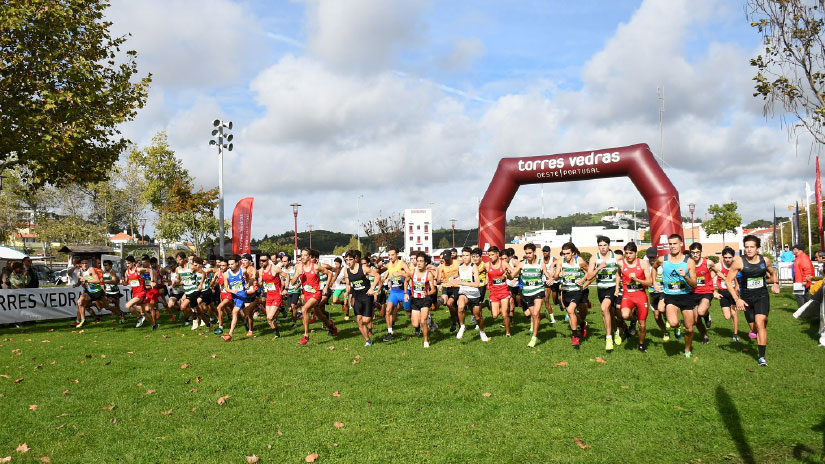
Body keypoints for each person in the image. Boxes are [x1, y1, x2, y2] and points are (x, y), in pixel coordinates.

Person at [725, 234, 780, 367]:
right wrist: (736, 299)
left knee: (760, 322)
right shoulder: (739, 262)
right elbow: (728, 281)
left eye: (752, 247)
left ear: (757, 249)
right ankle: (756, 331)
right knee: (754, 327)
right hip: (746, 299)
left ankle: (761, 357)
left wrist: (776, 283)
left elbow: (772, 273)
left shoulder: (765, 260)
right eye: (746, 247)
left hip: (762, 296)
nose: (749, 249)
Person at [655, 234, 698, 358]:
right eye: (670, 244)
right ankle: (678, 326)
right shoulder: (663, 259)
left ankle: (687, 349)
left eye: (675, 243)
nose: (672, 246)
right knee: (673, 323)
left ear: (681, 244)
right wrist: (654, 283)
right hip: (671, 296)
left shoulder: (689, 262)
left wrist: (685, 276)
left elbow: (694, 284)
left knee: (689, 329)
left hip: (686, 296)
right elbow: (654, 268)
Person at [289, 248, 338, 345]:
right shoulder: (299, 267)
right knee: (319, 314)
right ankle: (330, 325)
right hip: (307, 295)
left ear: (310, 257)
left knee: (304, 310)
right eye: (301, 255)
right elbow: (292, 282)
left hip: (316, 294)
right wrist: (297, 276)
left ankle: (306, 336)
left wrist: (326, 287)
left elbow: (329, 273)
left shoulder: (315, 267)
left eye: (305, 255)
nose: (302, 257)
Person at [509, 243, 551, 348]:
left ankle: (534, 338)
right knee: (533, 315)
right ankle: (544, 315)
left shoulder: (541, 263)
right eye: (526, 253)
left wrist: (550, 279)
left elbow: (547, 274)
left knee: (535, 314)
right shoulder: (522, 264)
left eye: (530, 253)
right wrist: (507, 275)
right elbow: (512, 276)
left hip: (538, 290)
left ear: (534, 252)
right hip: (527, 293)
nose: (528, 255)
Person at [553, 242, 590, 349]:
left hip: (576, 291)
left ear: (573, 253)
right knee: (571, 314)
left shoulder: (580, 261)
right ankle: (582, 324)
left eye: (568, 253)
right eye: (564, 253)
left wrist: (582, 280)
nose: (565, 256)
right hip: (565, 292)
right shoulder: (560, 261)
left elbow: (590, 272)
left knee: (570, 310)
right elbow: (555, 277)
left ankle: (574, 336)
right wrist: (558, 275)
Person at [616, 242, 652, 352]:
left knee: (642, 325)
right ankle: (633, 319)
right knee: (625, 315)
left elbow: (649, 282)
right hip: (628, 294)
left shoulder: (643, 264)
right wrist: (617, 287)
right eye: (626, 253)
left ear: (636, 253)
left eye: (630, 253)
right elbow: (618, 274)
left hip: (640, 294)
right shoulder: (621, 263)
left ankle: (641, 345)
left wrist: (637, 280)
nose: (628, 255)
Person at [587, 236, 621, 350]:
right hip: (601, 289)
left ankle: (609, 338)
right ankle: (616, 330)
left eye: (605, 245)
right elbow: (589, 276)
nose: (602, 248)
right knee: (609, 312)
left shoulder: (616, 257)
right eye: (600, 245)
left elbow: (619, 273)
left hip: (612, 288)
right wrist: (599, 268)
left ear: (609, 245)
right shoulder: (594, 258)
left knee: (604, 308)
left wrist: (617, 287)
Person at [345, 249, 382, 346]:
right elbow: (349, 284)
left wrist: (372, 288)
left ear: (355, 259)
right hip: (357, 297)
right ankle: (367, 340)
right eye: (346, 260)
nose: (348, 262)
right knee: (359, 321)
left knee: (366, 320)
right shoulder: (346, 271)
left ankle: (374, 305)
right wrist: (347, 291)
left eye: (350, 259)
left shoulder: (363, 268)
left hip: (367, 296)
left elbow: (377, 276)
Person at [454, 246, 488, 342]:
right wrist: (451, 280)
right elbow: (458, 277)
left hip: (474, 294)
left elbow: (477, 284)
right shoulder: (460, 267)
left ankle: (482, 332)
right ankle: (462, 326)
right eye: (463, 255)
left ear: (471, 256)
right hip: (463, 292)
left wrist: (461, 282)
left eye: (467, 255)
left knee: (477, 317)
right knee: (460, 307)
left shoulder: (474, 267)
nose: (465, 257)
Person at [406, 251, 437, 347]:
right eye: (417, 261)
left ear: (426, 263)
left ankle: (426, 341)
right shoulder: (412, 272)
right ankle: (430, 321)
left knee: (423, 321)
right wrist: (405, 294)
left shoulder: (429, 274)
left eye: (421, 261)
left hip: (425, 299)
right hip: (415, 300)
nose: (419, 263)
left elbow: (434, 290)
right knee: (415, 324)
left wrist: (428, 293)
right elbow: (406, 281)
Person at [711, 247, 741, 342]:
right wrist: (714, 291)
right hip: (722, 292)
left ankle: (735, 334)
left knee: (734, 313)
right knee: (727, 316)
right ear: (722, 257)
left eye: (730, 257)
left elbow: (737, 278)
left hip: (732, 292)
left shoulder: (736, 265)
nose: (728, 259)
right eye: (725, 257)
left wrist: (737, 288)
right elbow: (709, 280)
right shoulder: (718, 266)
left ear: (733, 257)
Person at [383, 247, 410, 342]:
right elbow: (382, 271)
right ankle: (390, 332)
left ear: (397, 254)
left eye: (392, 255)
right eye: (389, 255)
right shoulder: (388, 265)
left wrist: (401, 273)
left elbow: (410, 274)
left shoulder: (402, 264)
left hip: (403, 291)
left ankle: (417, 327)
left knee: (408, 312)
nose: (390, 257)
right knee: (388, 309)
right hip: (394, 292)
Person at [486, 246, 514, 336]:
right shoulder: (487, 265)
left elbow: (512, 275)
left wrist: (508, 274)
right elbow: (477, 270)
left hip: (504, 292)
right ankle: (499, 306)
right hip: (493, 293)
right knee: (494, 315)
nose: (490, 257)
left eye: (492, 255)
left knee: (505, 313)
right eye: (489, 255)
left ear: (497, 254)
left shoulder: (504, 264)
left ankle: (508, 332)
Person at [688, 243, 713, 344]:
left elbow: (717, 270)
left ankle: (706, 315)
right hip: (693, 293)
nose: (695, 255)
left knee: (701, 312)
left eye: (697, 252)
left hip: (706, 292)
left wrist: (715, 283)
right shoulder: (688, 264)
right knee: (696, 320)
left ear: (701, 252)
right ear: (690, 253)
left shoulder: (708, 262)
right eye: (693, 253)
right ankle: (705, 336)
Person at [259, 253, 288, 338]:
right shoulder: (261, 270)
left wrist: (286, 289)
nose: (262, 262)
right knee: (269, 319)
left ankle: (280, 308)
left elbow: (287, 275)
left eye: (264, 260)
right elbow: (261, 281)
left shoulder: (275, 269)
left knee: (270, 317)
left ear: (268, 260)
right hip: (269, 295)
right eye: (261, 260)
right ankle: (277, 334)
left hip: (277, 295)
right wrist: (259, 283)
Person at [437, 249, 461, 332]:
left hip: (456, 286)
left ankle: (458, 323)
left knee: (449, 303)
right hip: (447, 287)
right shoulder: (441, 267)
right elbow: (437, 280)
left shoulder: (457, 262)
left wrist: (458, 274)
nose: (446, 260)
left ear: (451, 256)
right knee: (450, 306)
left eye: (448, 258)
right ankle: (455, 322)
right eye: (445, 259)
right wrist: (440, 281)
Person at [792, 244, 814, 308]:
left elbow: (807, 270)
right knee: (805, 295)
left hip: (801, 281)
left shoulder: (803, 257)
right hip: (799, 280)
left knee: (800, 296)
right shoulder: (799, 257)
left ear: (797, 249)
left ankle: (802, 311)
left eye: (793, 249)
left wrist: (805, 280)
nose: (792, 251)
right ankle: (807, 310)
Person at [541, 245, 559, 325]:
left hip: (554, 282)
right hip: (546, 282)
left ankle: (561, 303)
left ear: (549, 252)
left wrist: (555, 275)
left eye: (547, 251)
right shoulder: (540, 260)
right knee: (546, 299)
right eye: (544, 251)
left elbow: (559, 268)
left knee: (555, 301)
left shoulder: (554, 259)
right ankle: (552, 318)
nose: (545, 252)